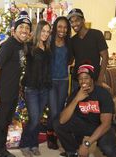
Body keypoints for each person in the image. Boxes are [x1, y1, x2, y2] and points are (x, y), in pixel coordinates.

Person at [53, 63, 116, 157]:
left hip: (101, 125)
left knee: (108, 148)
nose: (83, 81)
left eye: (86, 78)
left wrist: (86, 144)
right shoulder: (76, 94)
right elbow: (62, 120)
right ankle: (73, 152)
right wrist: (76, 99)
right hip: (83, 123)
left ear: (92, 79)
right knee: (57, 124)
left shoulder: (103, 94)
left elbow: (106, 124)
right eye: (80, 79)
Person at [0, 11, 32, 157]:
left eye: (27, 28)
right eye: (22, 27)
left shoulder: (21, 46)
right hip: (3, 93)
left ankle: (2, 149)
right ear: (14, 29)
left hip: (13, 92)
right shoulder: (8, 45)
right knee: (0, 123)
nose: (25, 30)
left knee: (6, 121)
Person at [19, 20, 51, 157]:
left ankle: (34, 144)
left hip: (44, 88)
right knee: (34, 119)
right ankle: (25, 144)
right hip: (31, 88)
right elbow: (18, 50)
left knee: (38, 119)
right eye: (43, 31)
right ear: (38, 31)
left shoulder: (48, 48)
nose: (45, 34)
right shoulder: (29, 46)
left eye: (48, 31)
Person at [47, 16, 72, 150]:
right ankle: (50, 135)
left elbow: (69, 61)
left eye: (65, 27)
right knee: (54, 110)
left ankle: (56, 135)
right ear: (55, 27)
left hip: (63, 81)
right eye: (60, 26)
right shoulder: (49, 41)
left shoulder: (69, 43)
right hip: (51, 81)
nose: (62, 29)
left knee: (60, 109)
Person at [68, 8, 108, 89]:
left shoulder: (96, 34)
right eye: (71, 22)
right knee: (76, 101)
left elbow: (105, 56)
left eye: (77, 20)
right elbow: (70, 61)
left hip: (94, 80)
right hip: (77, 81)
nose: (74, 24)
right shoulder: (72, 40)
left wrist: (100, 79)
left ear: (83, 20)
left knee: (93, 102)